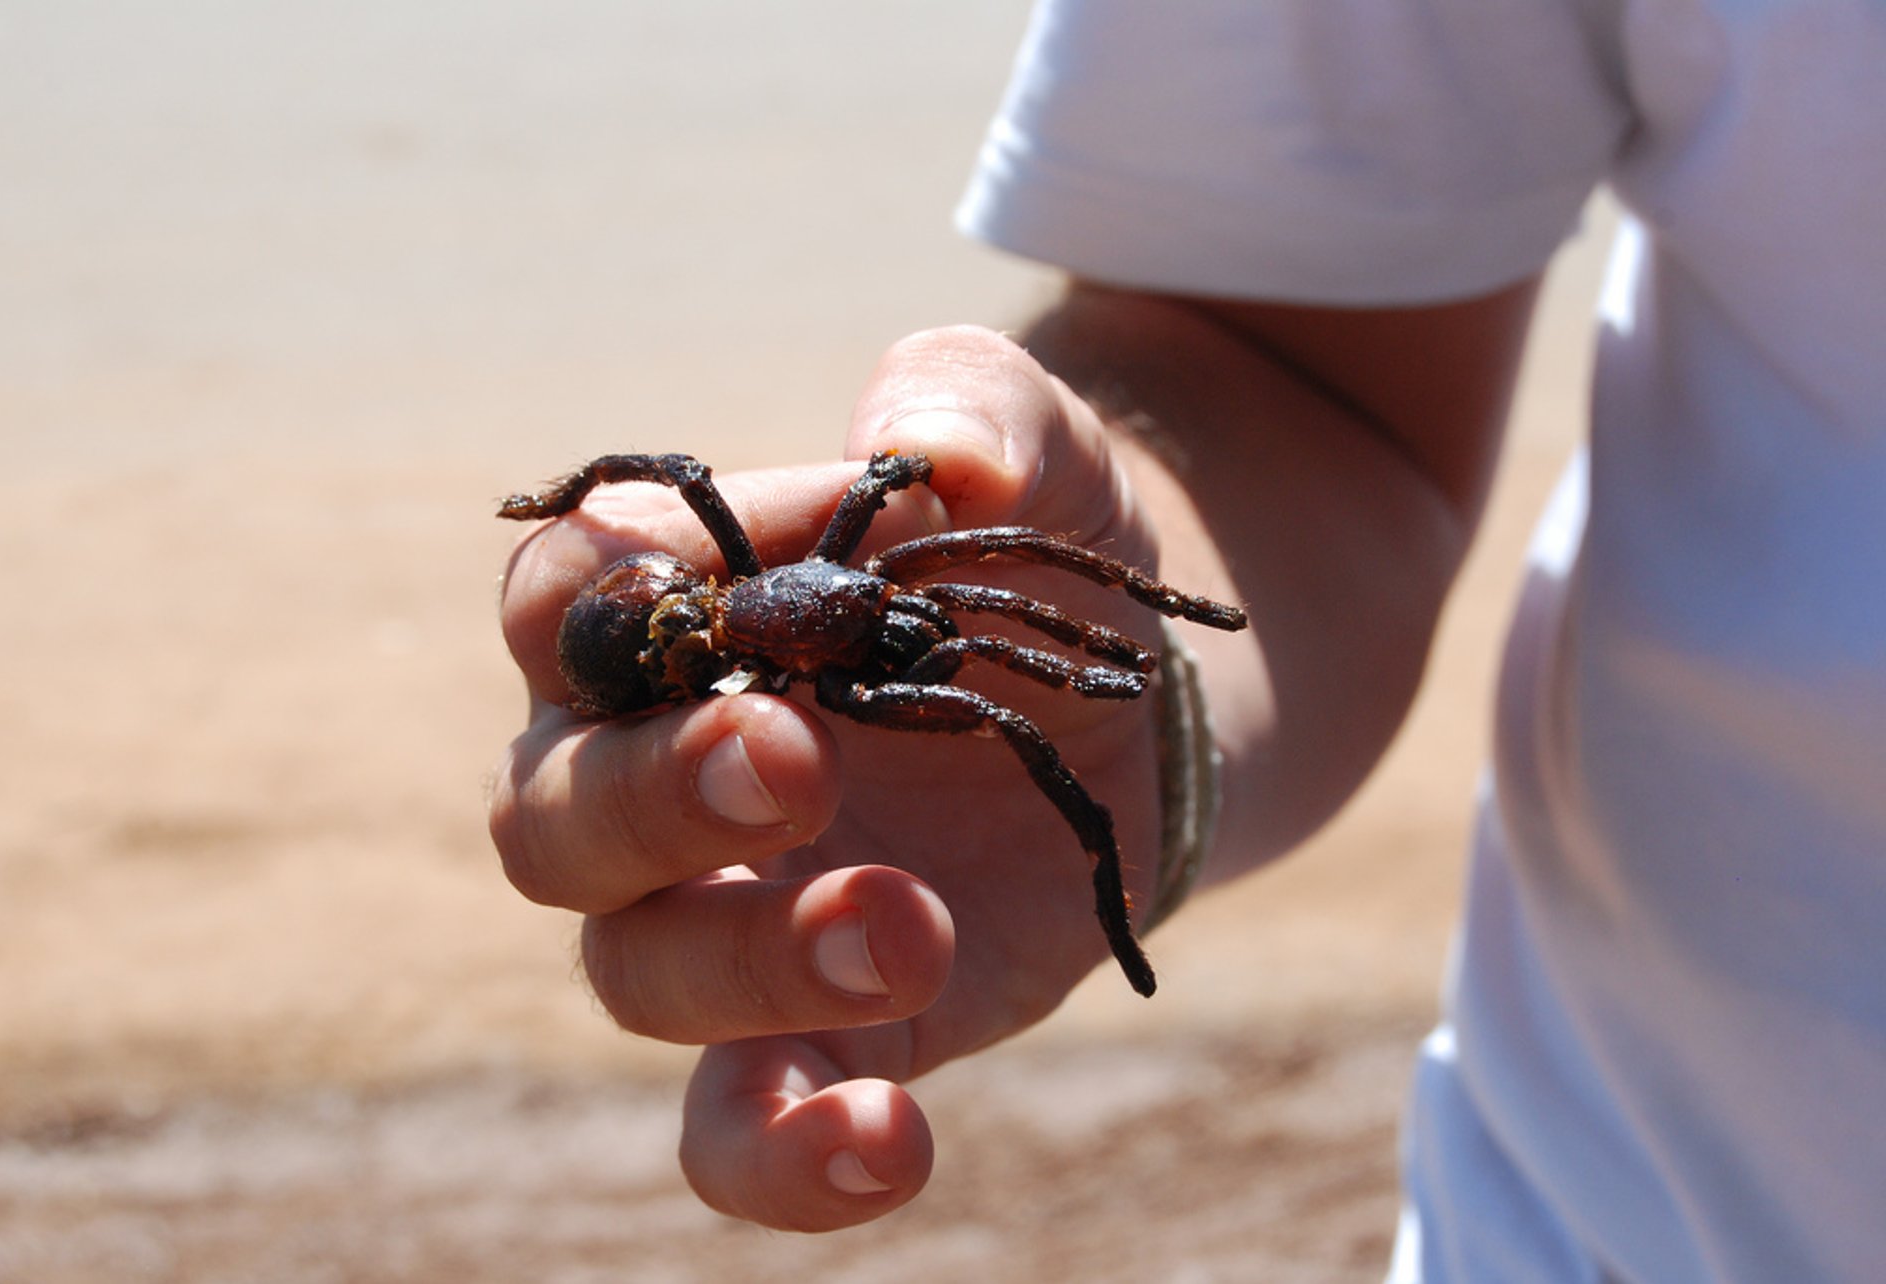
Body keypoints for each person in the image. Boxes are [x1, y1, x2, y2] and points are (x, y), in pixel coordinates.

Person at [489, 0, 1886, 1276]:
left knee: (992, 631)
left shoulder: (830, 636)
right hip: (1623, 1226)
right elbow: (1293, 375)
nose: (914, 616)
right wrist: (1161, 704)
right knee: (984, 642)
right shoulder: (774, 670)